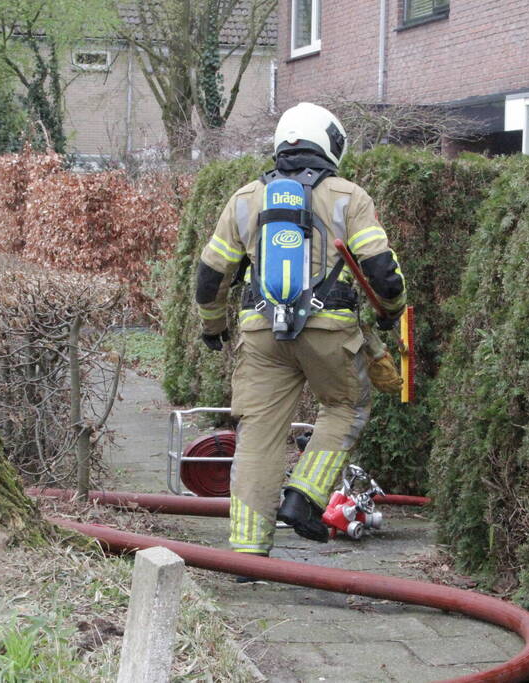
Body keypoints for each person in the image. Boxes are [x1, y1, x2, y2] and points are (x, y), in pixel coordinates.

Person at [194, 102, 406, 557]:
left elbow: (211, 276)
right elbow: (381, 271)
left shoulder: (245, 199)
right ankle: (305, 495)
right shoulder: (350, 196)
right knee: (347, 406)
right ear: (331, 144)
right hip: (329, 330)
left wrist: (214, 327)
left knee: (258, 435)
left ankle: (248, 549)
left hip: (260, 334)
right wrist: (392, 309)